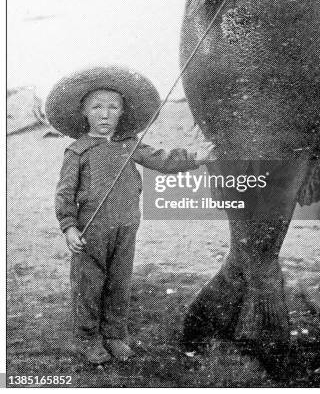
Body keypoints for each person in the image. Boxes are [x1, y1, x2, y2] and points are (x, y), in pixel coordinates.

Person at [45, 65, 214, 365]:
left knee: (118, 283)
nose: (105, 114)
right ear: (84, 112)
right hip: (90, 231)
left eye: (113, 107)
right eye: (96, 107)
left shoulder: (129, 144)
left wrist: (193, 158)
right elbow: (64, 193)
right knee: (89, 284)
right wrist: (69, 227)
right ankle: (88, 338)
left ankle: (114, 335)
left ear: (122, 112)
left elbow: (160, 159)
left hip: (126, 226)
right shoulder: (77, 151)